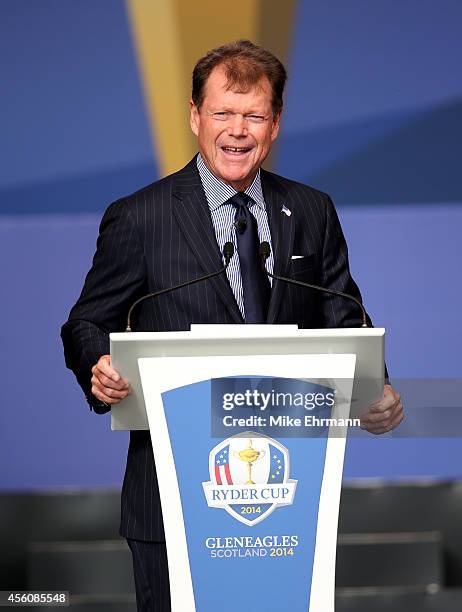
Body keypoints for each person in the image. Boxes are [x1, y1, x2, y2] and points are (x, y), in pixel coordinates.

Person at [61, 40, 403, 612]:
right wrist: (97, 365)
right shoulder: (140, 216)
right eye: (223, 112)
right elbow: (86, 322)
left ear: (275, 125)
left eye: (254, 115)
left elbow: (343, 314)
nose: (237, 129)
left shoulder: (312, 210)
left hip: (284, 496)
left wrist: (377, 389)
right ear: (196, 116)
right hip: (171, 496)